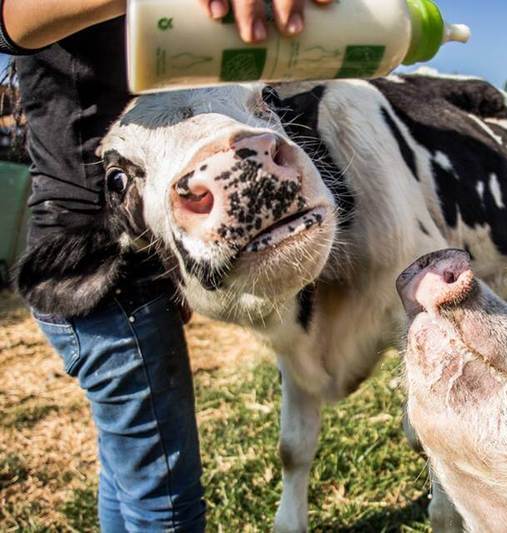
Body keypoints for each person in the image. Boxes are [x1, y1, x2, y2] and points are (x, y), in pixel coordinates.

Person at [1, 0, 330, 530]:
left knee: (127, 474)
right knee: (164, 502)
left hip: (132, 252)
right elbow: (11, 20)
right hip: (95, 265)